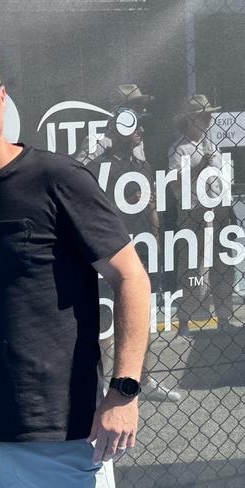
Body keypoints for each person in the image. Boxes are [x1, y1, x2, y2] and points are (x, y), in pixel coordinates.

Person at [0, 38, 150, 487]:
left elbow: (131, 278)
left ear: (1, 97)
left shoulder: (58, 178)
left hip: (68, 436)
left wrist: (123, 391)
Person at [87, 112, 181, 402]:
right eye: (131, 125)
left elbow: (150, 206)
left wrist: (153, 239)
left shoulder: (143, 166)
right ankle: (101, 384)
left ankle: (145, 379)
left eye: (140, 125)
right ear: (115, 131)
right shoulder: (97, 167)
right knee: (105, 316)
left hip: (139, 249)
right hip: (108, 252)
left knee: (141, 314)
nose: (139, 129)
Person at [168, 94, 235, 336]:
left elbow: (223, 179)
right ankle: (184, 321)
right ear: (191, 118)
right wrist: (200, 166)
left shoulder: (213, 146)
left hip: (218, 213)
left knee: (222, 266)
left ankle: (224, 318)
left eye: (209, 115)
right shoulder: (179, 148)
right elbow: (174, 183)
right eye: (204, 115)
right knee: (190, 268)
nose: (208, 120)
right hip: (193, 214)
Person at [75, 84, 152, 165]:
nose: (144, 110)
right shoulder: (99, 140)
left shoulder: (136, 139)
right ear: (120, 111)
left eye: (143, 106)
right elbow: (78, 171)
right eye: (138, 106)